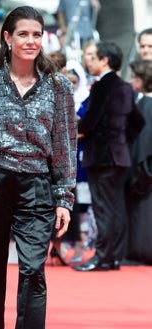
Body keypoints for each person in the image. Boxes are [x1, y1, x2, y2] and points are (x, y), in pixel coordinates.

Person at [0, 5, 77, 329]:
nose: (31, 41)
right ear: (7, 37)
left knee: (33, 270)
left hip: (38, 186)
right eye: (23, 34)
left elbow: (64, 143)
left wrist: (64, 197)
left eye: (37, 34)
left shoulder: (58, 85)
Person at [72, 41, 143, 272]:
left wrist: (73, 127)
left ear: (104, 60)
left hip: (102, 156)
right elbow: (138, 122)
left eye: (94, 57)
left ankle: (101, 257)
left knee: (103, 208)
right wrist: (121, 140)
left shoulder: (102, 86)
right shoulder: (125, 86)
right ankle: (113, 257)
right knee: (116, 207)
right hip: (120, 155)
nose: (90, 62)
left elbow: (90, 122)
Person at [125, 59, 152, 265]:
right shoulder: (142, 102)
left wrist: (140, 171)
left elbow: (144, 142)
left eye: (135, 77)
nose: (132, 81)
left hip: (143, 170)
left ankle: (142, 251)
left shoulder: (147, 104)